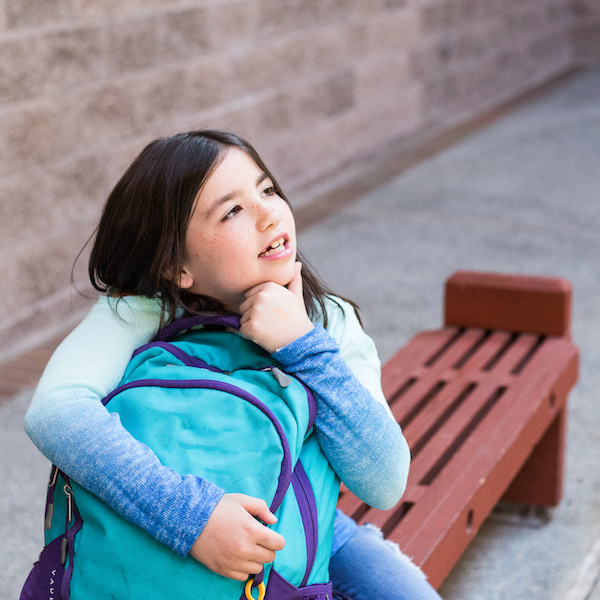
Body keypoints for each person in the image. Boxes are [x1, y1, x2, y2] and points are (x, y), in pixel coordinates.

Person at [25, 130, 441, 599]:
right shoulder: (143, 310)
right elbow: (54, 411)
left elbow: (383, 482)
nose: (269, 213)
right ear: (178, 267)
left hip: (295, 526)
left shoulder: (327, 320)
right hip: (160, 511)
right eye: (232, 211)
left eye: (267, 190)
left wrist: (304, 345)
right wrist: (193, 519)